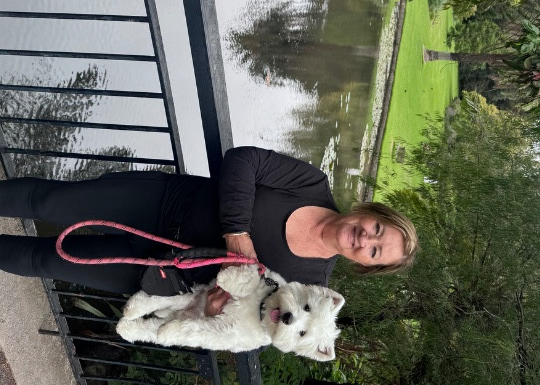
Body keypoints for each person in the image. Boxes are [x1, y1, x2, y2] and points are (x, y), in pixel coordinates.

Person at [0, 146, 418, 297]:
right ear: (370, 212)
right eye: (377, 229)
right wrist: (236, 232)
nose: (366, 238)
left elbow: (257, 320)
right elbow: (243, 161)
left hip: (159, 273)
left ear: (365, 265)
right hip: (160, 203)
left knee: (46, 261)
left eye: (375, 252)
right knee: (48, 202)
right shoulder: (311, 184)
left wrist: (217, 307)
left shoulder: (309, 287)